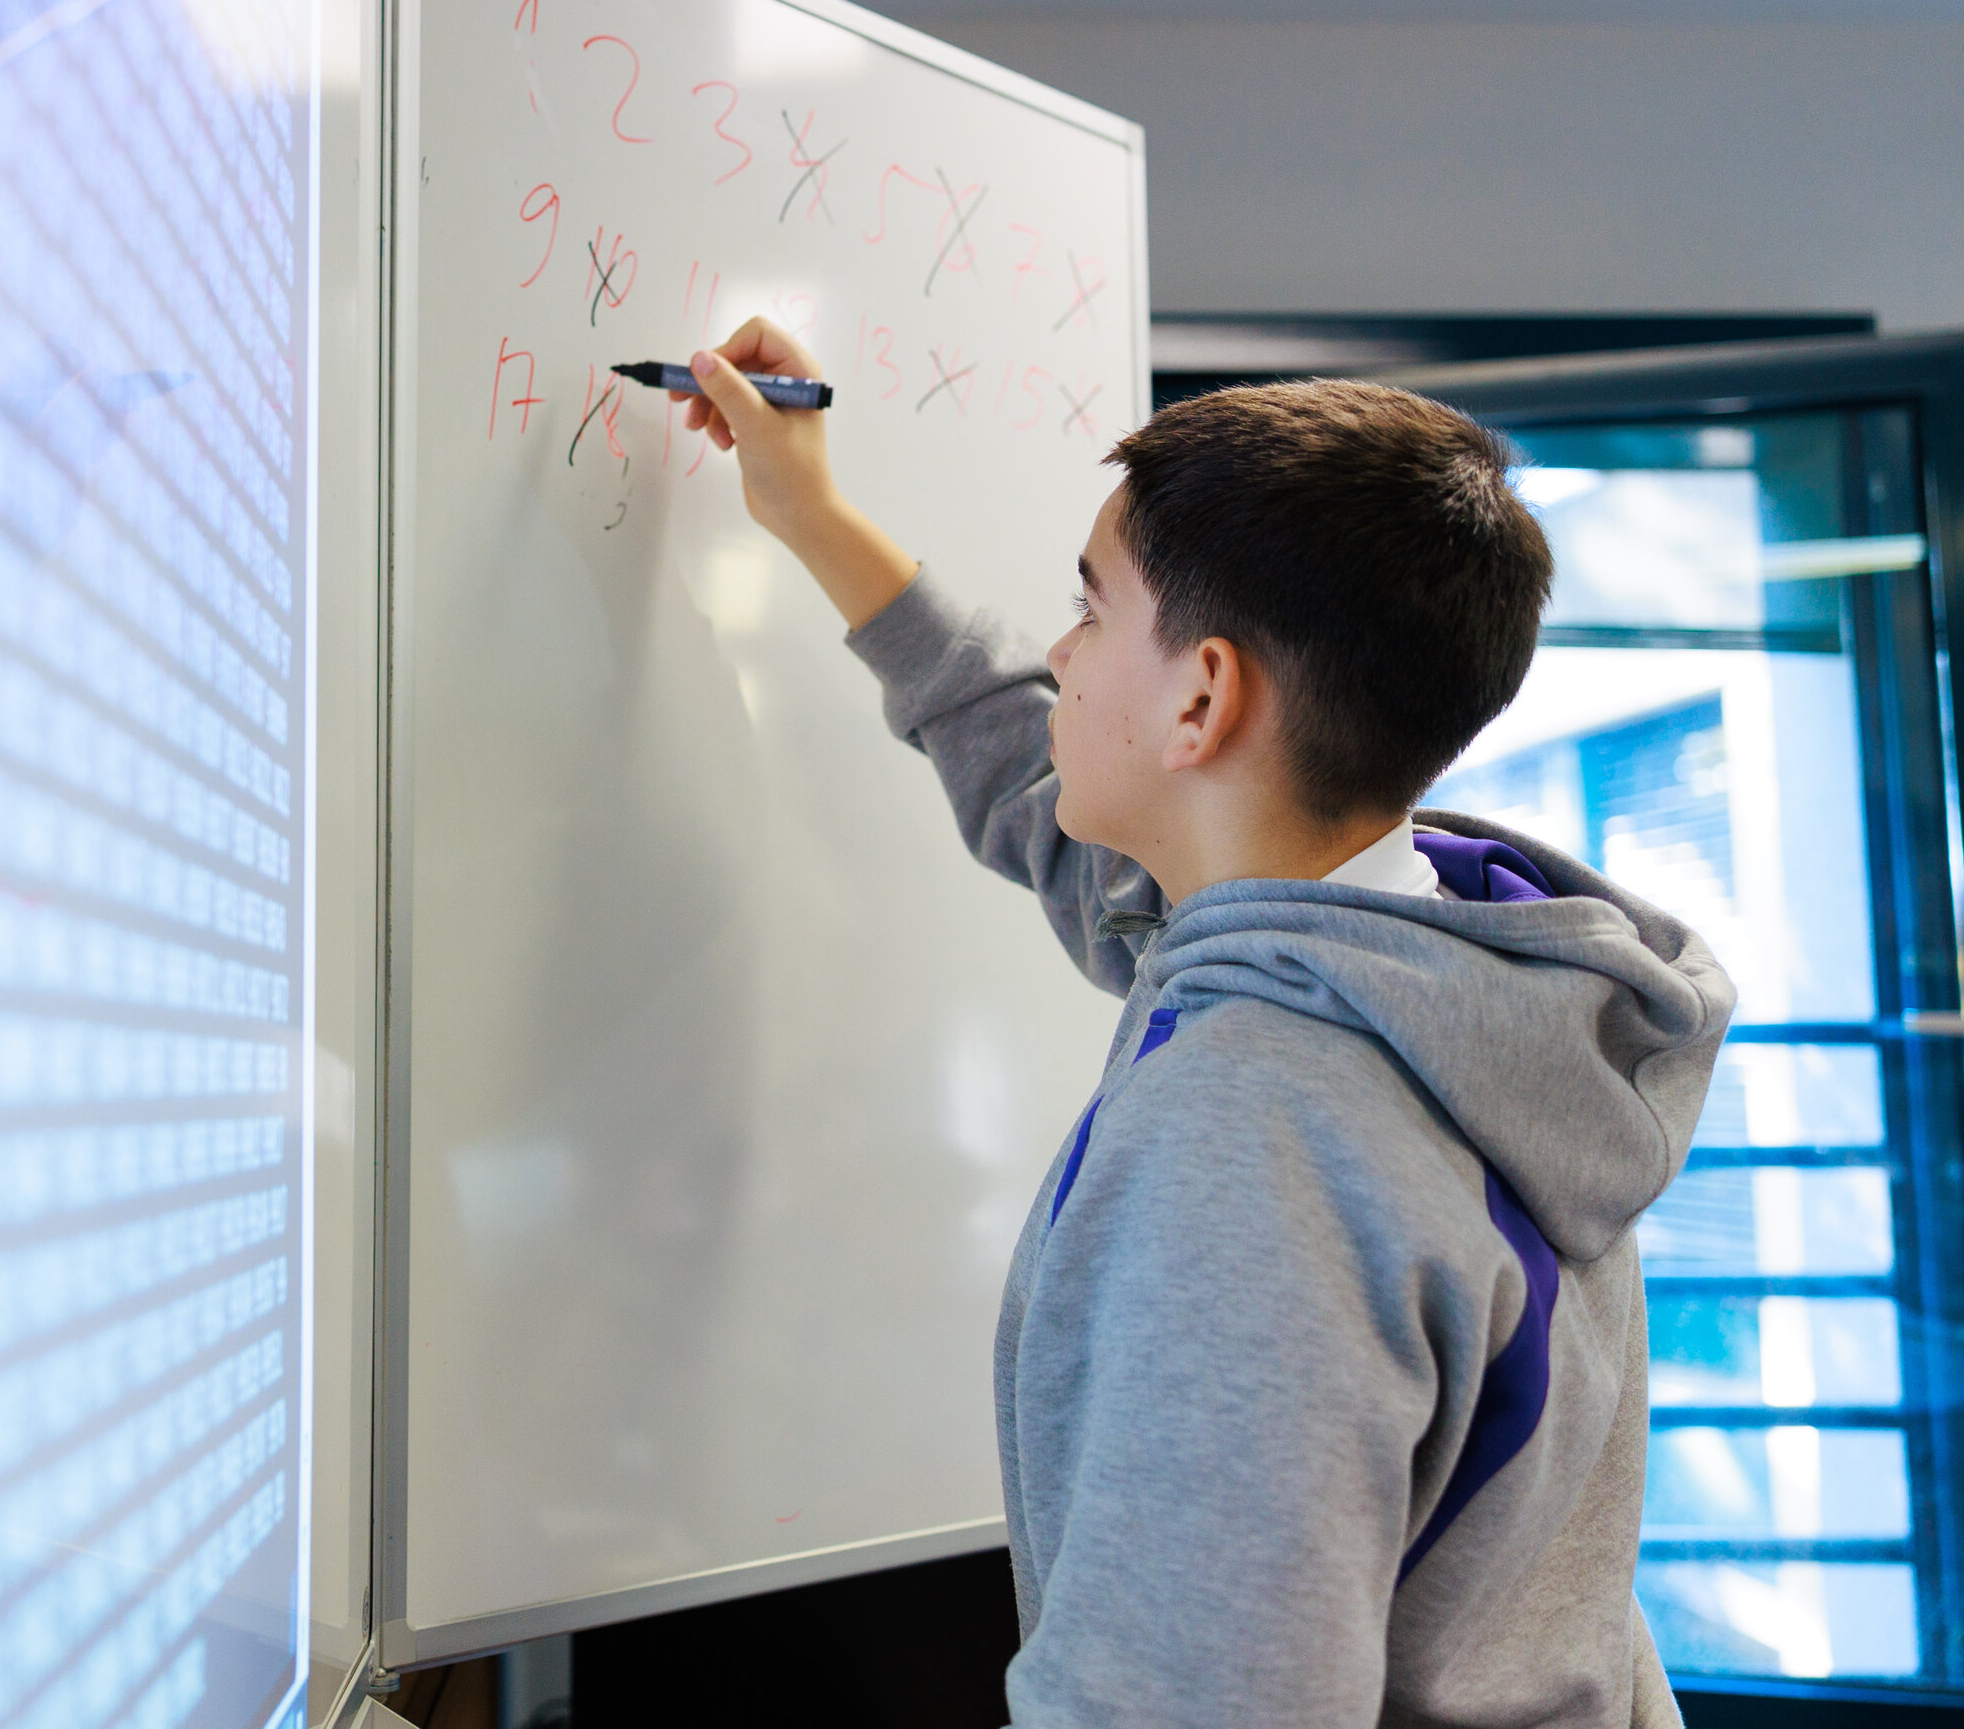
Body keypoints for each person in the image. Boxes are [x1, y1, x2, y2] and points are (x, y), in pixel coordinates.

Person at [680, 321, 1734, 1728]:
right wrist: (813, 516)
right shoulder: (1436, 979)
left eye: (1091, 609)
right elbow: (1035, 785)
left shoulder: (1257, 1142)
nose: (1059, 651)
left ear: (1203, 696)